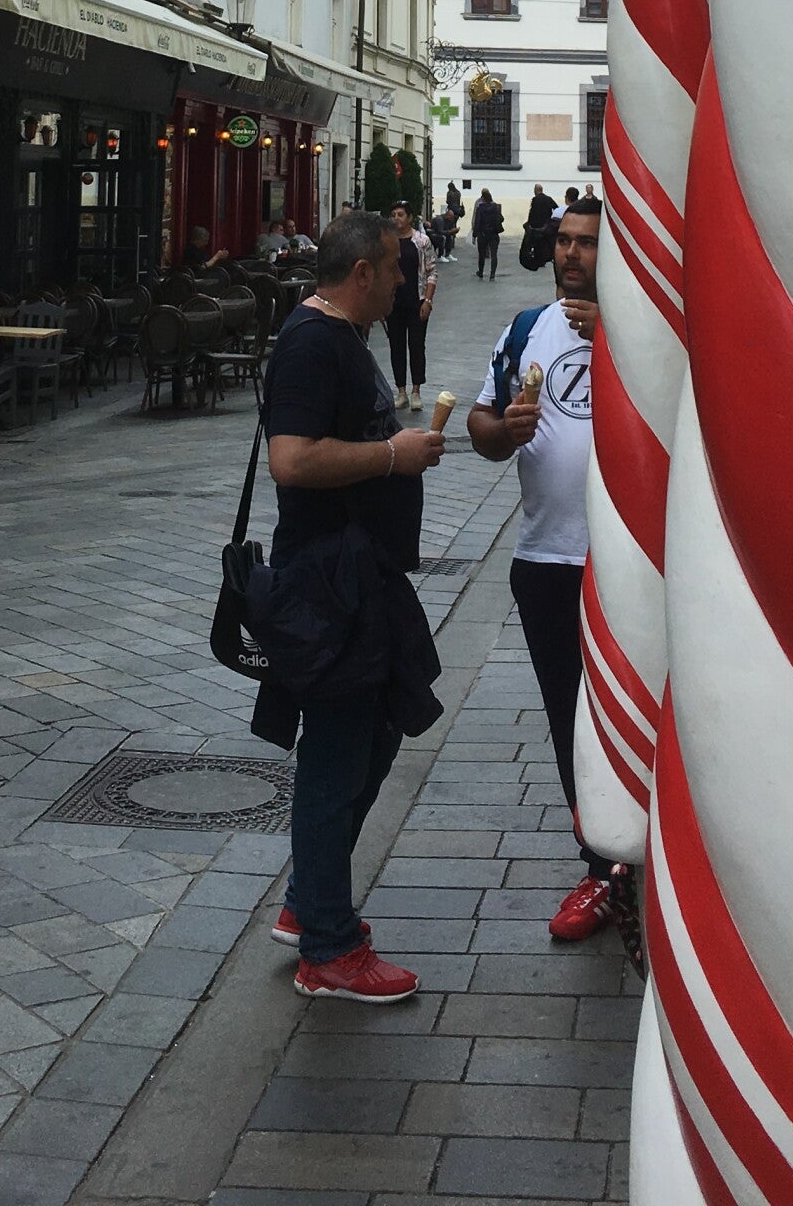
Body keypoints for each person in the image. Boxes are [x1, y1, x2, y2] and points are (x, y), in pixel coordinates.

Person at [258, 209, 443, 1002]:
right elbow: (292, 461)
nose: (403, 279)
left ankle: (310, 900)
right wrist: (393, 455)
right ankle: (329, 950)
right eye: (396, 267)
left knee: (377, 732)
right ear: (362, 272)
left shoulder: (342, 336)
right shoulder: (311, 343)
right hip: (328, 584)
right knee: (335, 759)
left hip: (361, 577)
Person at [469, 199, 615, 940]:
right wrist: (503, 429)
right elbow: (481, 426)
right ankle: (600, 868)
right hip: (546, 560)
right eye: (564, 241)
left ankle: (647, 860)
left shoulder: (647, 330)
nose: (572, 254)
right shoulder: (527, 329)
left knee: (634, 719)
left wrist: (618, 337)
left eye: (587, 242)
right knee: (569, 719)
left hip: (628, 568)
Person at [384, 203, 436, 412]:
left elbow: (431, 271)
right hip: (393, 303)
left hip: (416, 300)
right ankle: (401, 391)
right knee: (396, 346)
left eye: (401, 214)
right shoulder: (387, 242)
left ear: (410, 217)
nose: (397, 218)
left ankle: (416, 391)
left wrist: (428, 301)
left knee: (416, 345)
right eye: (393, 214)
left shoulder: (422, 241)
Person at [471, 188, 504, 279]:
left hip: (483, 234)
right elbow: (501, 219)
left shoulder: (480, 208)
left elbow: (477, 222)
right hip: (493, 233)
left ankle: (481, 271)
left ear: (483, 199)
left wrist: (474, 234)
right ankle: (492, 273)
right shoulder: (495, 207)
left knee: (481, 254)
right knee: (494, 254)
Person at [442, 181, 463, 261]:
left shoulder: (449, 193)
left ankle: (450, 241)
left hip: (451, 211)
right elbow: (459, 201)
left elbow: (448, 201)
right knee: (454, 225)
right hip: (457, 211)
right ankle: (453, 241)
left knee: (450, 226)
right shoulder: (458, 192)